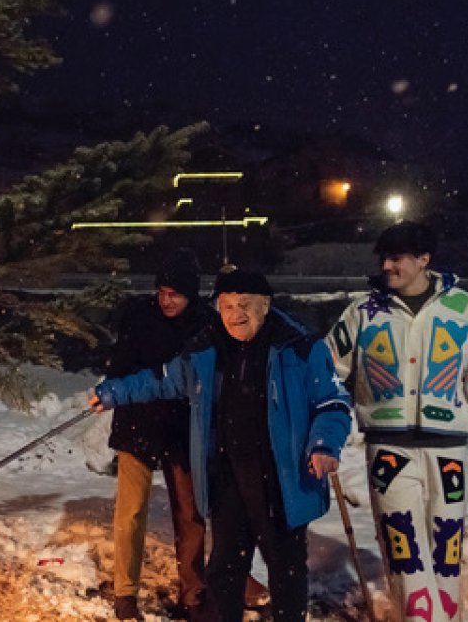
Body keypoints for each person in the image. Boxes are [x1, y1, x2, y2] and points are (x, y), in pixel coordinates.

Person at [90, 269, 352, 622]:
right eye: (226, 305)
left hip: (281, 477)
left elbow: (332, 402)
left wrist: (324, 444)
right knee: (225, 567)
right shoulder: (206, 349)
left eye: (244, 305)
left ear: (266, 305)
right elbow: (163, 380)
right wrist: (113, 392)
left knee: (285, 566)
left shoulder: (301, 349)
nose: (234, 314)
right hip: (228, 475)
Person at [328, 221, 468, 622]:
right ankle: (419, 618)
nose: (387, 266)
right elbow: (329, 369)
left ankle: (445, 615)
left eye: (396, 258)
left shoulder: (462, 308)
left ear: (424, 260)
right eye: (383, 258)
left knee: (447, 545)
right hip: (388, 447)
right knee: (402, 543)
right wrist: (325, 423)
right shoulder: (362, 312)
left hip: (448, 447)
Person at [104, 248, 211, 620]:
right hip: (138, 424)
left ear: (191, 295)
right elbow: (119, 367)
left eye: (175, 294)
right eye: (162, 292)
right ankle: (125, 592)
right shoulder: (138, 317)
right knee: (130, 511)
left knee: (190, 511)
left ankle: (193, 591)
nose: (167, 300)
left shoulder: (204, 324)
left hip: (182, 430)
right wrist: (115, 390)